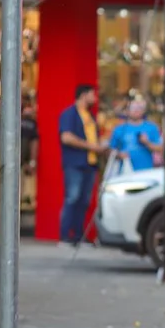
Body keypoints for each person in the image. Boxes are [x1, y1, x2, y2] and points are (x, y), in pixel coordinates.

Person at [0, 95, 39, 236]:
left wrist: (31, 162)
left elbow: (34, 143)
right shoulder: (1, 121)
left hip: (16, 165)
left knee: (9, 197)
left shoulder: (27, 124)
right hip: (2, 163)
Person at [58, 84, 108, 246]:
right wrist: (92, 147)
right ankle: (65, 236)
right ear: (83, 95)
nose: (94, 98)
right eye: (92, 94)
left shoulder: (90, 116)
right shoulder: (69, 114)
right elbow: (66, 137)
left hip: (90, 164)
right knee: (72, 198)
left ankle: (78, 235)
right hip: (75, 163)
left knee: (84, 201)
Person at [108, 99, 161, 171]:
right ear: (127, 111)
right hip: (125, 171)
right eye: (133, 108)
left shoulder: (151, 127)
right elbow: (110, 150)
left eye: (139, 108)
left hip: (147, 171)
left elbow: (160, 149)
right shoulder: (119, 129)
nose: (136, 110)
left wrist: (147, 142)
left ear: (143, 110)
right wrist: (119, 155)